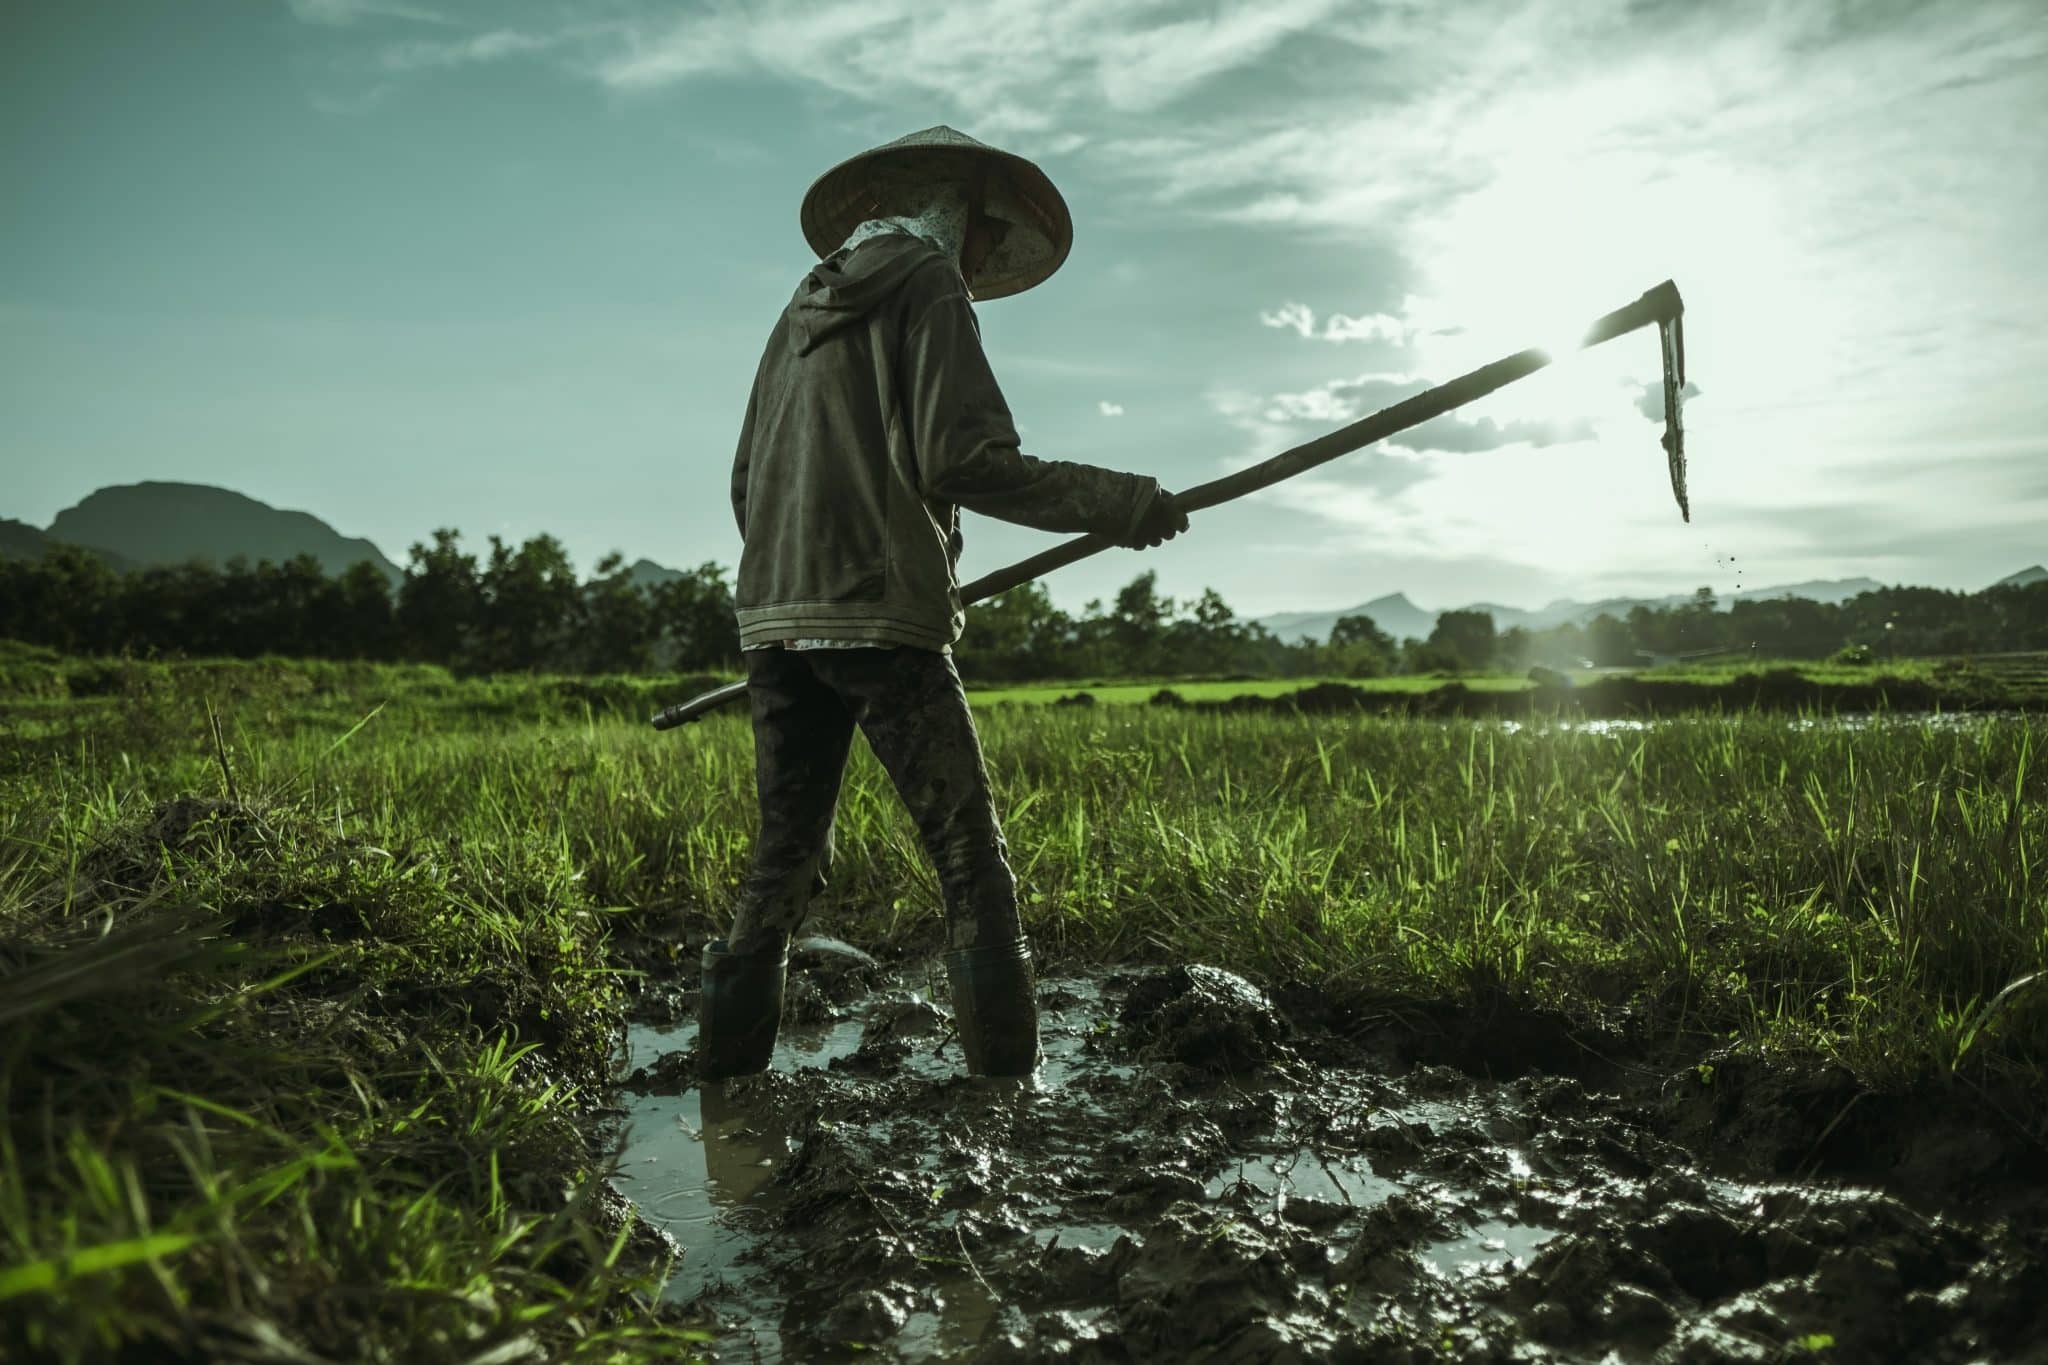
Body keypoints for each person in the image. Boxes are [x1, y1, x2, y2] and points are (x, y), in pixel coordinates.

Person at [703, 126, 1187, 1080]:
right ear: (957, 214)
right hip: (877, 617)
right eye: (984, 238)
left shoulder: (797, 308)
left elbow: (746, 482)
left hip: (773, 613)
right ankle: (1007, 1099)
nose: (981, 259)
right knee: (970, 856)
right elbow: (963, 460)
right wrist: (1122, 500)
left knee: (782, 864)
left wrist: (805, 574)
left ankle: (725, 1095)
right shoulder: (930, 286)